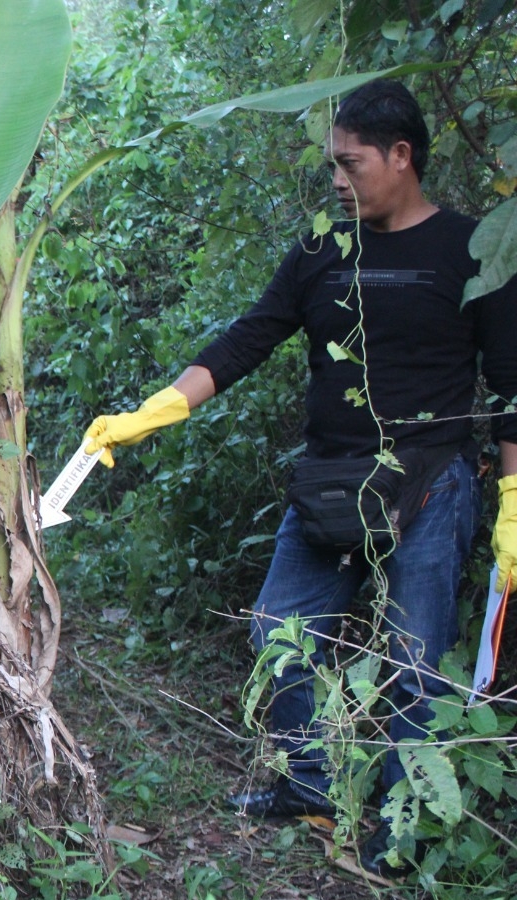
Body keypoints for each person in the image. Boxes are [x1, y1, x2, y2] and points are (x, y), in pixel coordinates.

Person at [81, 79, 517, 879]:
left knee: (412, 660)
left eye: (350, 165)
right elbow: (250, 338)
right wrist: (156, 409)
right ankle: (306, 784)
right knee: (278, 634)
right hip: (331, 481)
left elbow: (513, 383)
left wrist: (515, 503)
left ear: (401, 156)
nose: (338, 182)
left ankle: (401, 820)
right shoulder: (323, 248)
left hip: (432, 483)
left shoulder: (470, 250)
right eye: (330, 168)